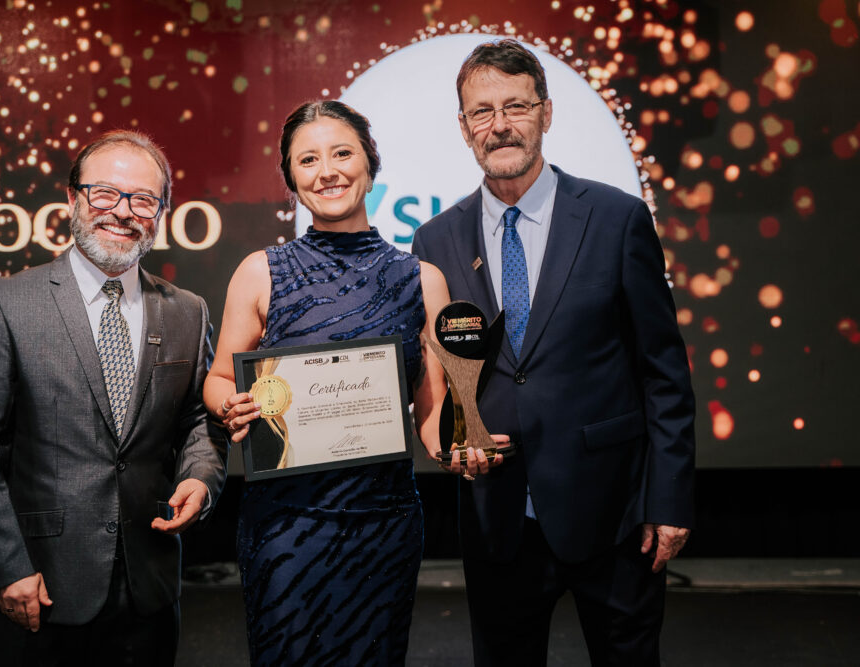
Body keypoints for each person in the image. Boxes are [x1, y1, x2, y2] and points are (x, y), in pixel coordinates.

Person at [411, 40, 696, 666]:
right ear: (463, 127)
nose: (500, 125)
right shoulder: (435, 239)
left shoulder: (617, 219)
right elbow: (441, 369)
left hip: (614, 514)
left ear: (545, 112)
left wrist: (669, 500)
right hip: (497, 517)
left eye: (516, 106)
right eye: (482, 112)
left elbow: (664, 374)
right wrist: (448, 435)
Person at [0, 130, 229, 666]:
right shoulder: (3, 305)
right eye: (105, 193)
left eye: (142, 199)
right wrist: (7, 567)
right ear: (72, 199)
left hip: (149, 587)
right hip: (39, 584)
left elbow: (198, 418)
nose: (122, 211)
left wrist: (200, 477)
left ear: (161, 213)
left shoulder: (188, 311)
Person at [203, 100, 451, 666]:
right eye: (308, 160)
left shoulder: (422, 280)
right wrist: (230, 406)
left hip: (383, 523)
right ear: (291, 179)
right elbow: (218, 379)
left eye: (342, 153)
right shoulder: (260, 272)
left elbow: (432, 408)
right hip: (286, 524)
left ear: (370, 164)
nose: (327, 171)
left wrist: (459, 451)